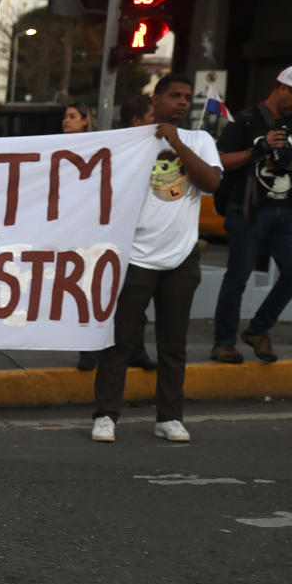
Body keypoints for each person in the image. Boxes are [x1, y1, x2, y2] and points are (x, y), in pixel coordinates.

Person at [90, 73, 220, 444]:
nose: (182, 102)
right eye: (174, 96)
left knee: (172, 343)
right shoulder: (132, 141)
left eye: (186, 97)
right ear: (157, 99)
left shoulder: (199, 139)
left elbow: (210, 183)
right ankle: (105, 415)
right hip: (135, 257)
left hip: (181, 259)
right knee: (117, 340)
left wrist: (176, 142)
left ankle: (169, 417)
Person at [209, 63, 292, 363]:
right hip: (249, 209)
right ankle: (224, 341)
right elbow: (219, 163)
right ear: (282, 88)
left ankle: (259, 329)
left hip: (290, 208)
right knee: (238, 276)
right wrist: (257, 150)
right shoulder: (244, 122)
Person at [78, 96, 156, 372]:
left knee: (135, 297)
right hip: (102, 231)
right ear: (136, 121)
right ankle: (89, 352)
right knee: (96, 292)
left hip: (134, 233)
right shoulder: (112, 146)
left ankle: (136, 349)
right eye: (152, 116)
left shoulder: (158, 148)